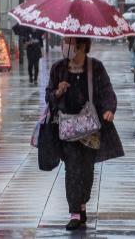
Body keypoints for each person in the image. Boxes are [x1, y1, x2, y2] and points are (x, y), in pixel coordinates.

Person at [45, 37, 123, 231]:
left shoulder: (95, 67)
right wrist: (57, 92)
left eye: (69, 43)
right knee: (72, 168)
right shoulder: (58, 69)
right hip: (66, 128)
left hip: (91, 129)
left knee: (87, 169)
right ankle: (74, 213)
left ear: (81, 46)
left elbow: (107, 91)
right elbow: (49, 96)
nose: (65, 47)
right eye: (64, 42)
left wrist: (109, 109)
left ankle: (82, 204)